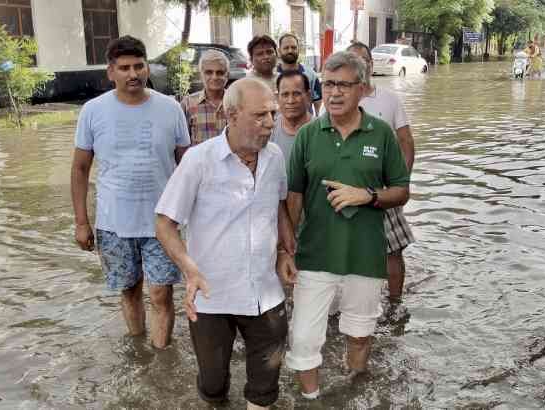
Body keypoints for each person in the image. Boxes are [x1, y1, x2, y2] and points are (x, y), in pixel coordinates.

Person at [155, 78, 297, 410]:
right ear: (231, 115)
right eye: (259, 115)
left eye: (272, 114)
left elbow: (276, 205)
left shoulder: (274, 157)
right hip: (211, 295)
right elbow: (164, 223)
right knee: (213, 384)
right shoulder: (198, 160)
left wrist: (282, 251)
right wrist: (189, 269)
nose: (270, 123)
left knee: (265, 385)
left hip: (265, 293)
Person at [284, 51, 410, 399]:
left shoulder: (381, 134)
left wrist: (366, 195)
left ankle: (353, 391)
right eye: (327, 84)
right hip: (314, 255)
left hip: (364, 255)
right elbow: (292, 198)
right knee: (305, 338)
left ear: (362, 89)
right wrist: (285, 250)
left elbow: (402, 191)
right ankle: (311, 400)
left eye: (343, 85)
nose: (334, 93)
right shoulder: (308, 135)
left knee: (359, 332)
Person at [70, 36, 190, 347]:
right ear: (110, 72)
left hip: (162, 221)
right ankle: (138, 348)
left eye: (139, 66)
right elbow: (80, 168)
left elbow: (186, 165)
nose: (133, 73)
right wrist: (81, 221)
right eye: (124, 68)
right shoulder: (93, 111)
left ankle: (160, 355)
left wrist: (194, 215)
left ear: (147, 68)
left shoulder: (170, 108)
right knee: (130, 290)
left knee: (161, 293)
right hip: (114, 223)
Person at [347, 42, 416, 320]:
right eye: (354, 60)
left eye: (364, 60)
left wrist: (401, 183)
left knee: (393, 250)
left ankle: (395, 304)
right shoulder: (338, 98)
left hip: (384, 189)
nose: (360, 65)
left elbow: (407, 142)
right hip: (349, 190)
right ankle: (355, 307)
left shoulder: (389, 100)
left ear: (371, 65)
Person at [180, 50, 229, 145]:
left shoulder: (237, 102)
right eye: (209, 72)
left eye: (220, 72)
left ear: (227, 75)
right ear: (200, 75)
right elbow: (182, 144)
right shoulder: (188, 104)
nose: (214, 77)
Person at [271, 70, 313, 161]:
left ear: (308, 96)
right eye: (285, 95)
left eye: (296, 94)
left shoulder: (320, 131)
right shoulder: (269, 130)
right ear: (277, 98)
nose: (291, 101)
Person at [276, 33, 323, 114]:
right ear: (279, 50)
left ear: (298, 49)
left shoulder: (311, 74)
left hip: (307, 125)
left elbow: (318, 105)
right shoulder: (273, 75)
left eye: (293, 47)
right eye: (286, 48)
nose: (290, 51)